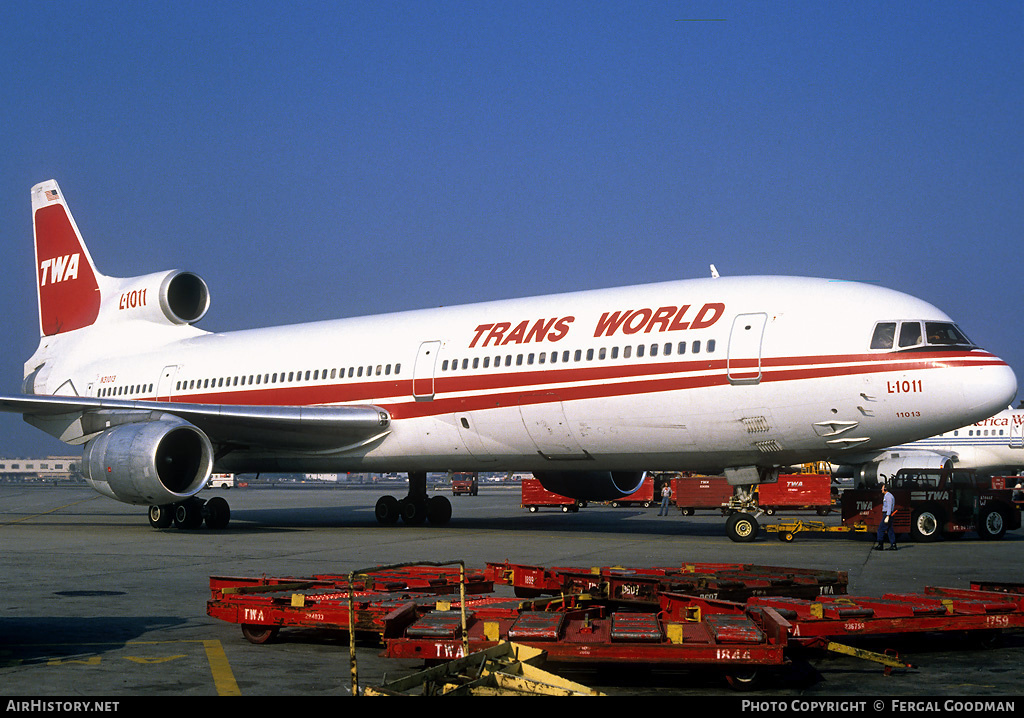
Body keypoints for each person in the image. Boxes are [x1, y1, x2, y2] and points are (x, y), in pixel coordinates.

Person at [874, 483, 897, 551]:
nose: (881, 489)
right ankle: (893, 545)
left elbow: (889, 506)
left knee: (880, 529)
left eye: (883, 488)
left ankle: (880, 545)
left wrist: (887, 516)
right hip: (888, 514)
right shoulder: (887, 496)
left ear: (886, 489)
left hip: (887, 514)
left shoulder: (888, 496)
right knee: (890, 530)